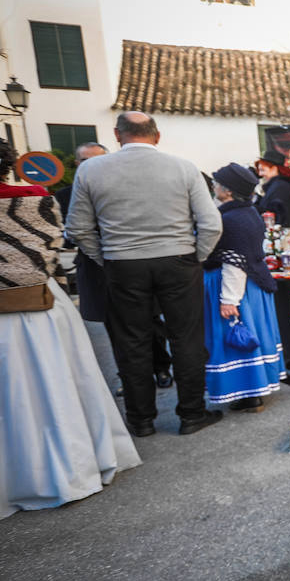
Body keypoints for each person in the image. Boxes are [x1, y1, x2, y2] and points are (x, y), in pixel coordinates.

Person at [0, 138, 141, 518]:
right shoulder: (36, 198)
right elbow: (52, 246)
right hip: (38, 301)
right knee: (55, 380)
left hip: (21, 306)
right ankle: (75, 464)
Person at [66, 112, 224, 437]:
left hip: (122, 263)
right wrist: (196, 257)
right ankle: (192, 414)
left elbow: (78, 228)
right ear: (157, 136)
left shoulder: (91, 170)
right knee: (187, 339)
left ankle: (141, 420)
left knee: (131, 341)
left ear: (117, 134)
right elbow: (211, 223)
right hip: (178, 260)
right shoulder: (184, 168)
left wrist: (106, 257)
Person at [58, 141, 175, 392]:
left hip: (135, 264)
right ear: (77, 164)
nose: (92, 166)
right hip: (98, 269)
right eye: (85, 161)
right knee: (116, 328)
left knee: (151, 322)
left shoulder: (125, 186)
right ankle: (130, 377)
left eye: (97, 160)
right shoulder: (66, 196)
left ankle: (161, 367)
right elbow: (70, 234)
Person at [204, 162, 285, 411]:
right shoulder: (248, 212)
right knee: (251, 336)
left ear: (228, 191)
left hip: (238, 288)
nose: (215, 187)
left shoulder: (231, 219)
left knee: (237, 338)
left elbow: (234, 263)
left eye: (218, 183)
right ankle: (254, 388)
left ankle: (248, 393)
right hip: (250, 287)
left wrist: (229, 300)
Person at [254, 147, 290, 228]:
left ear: (274, 169)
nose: (260, 174)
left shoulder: (280, 187)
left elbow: (274, 213)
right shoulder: (278, 186)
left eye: (263, 170)